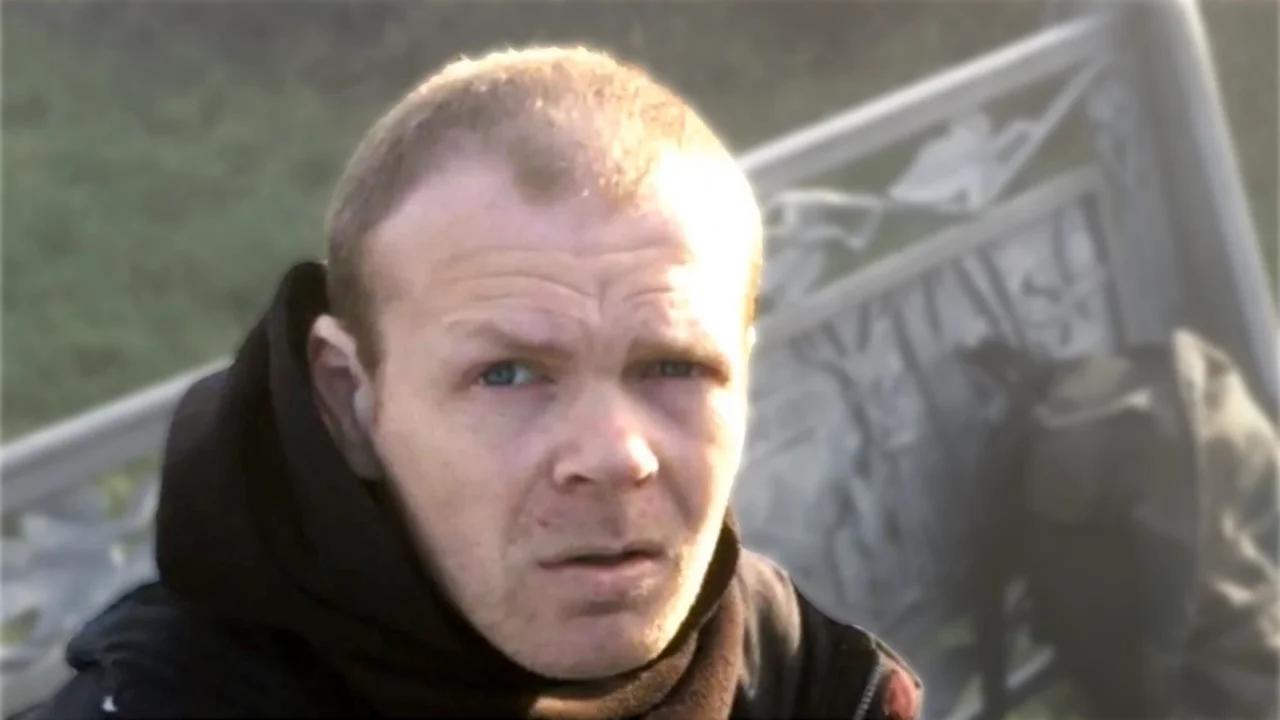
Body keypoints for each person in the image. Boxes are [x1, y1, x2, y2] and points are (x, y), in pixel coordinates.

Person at [33, 46, 921, 719]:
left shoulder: (810, 675)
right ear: (350, 400)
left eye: (674, 367)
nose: (616, 456)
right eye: (509, 373)